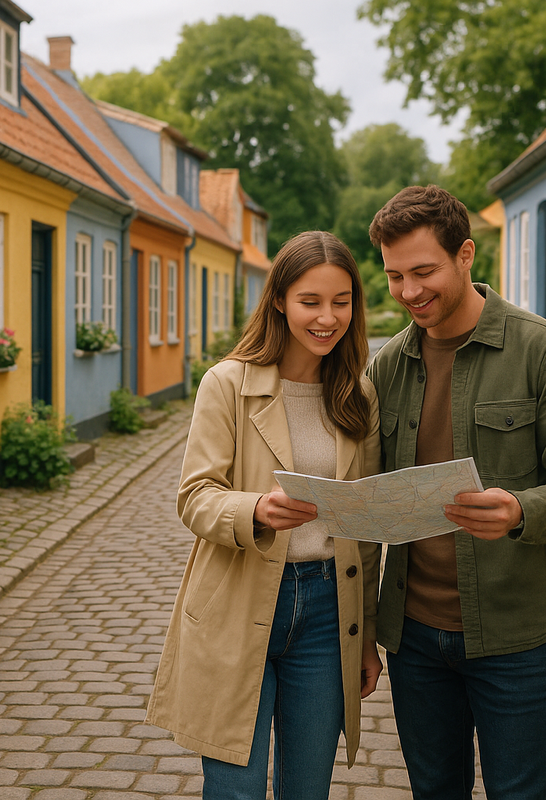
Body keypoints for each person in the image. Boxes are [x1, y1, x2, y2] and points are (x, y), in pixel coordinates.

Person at [365, 185, 546, 799]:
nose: (409, 292)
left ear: (466, 254)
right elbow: (367, 494)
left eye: (424, 271)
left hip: (516, 632)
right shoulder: (387, 367)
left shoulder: (543, 351)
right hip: (415, 638)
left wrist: (522, 510)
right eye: (395, 276)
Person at [145, 231, 383, 799]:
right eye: (311, 301)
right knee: (236, 788)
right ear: (279, 299)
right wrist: (255, 508)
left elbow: (366, 526)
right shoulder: (227, 383)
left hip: (329, 611)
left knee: (308, 788)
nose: (327, 318)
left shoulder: (358, 396)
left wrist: (367, 635)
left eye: (341, 301)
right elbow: (195, 496)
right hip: (239, 597)